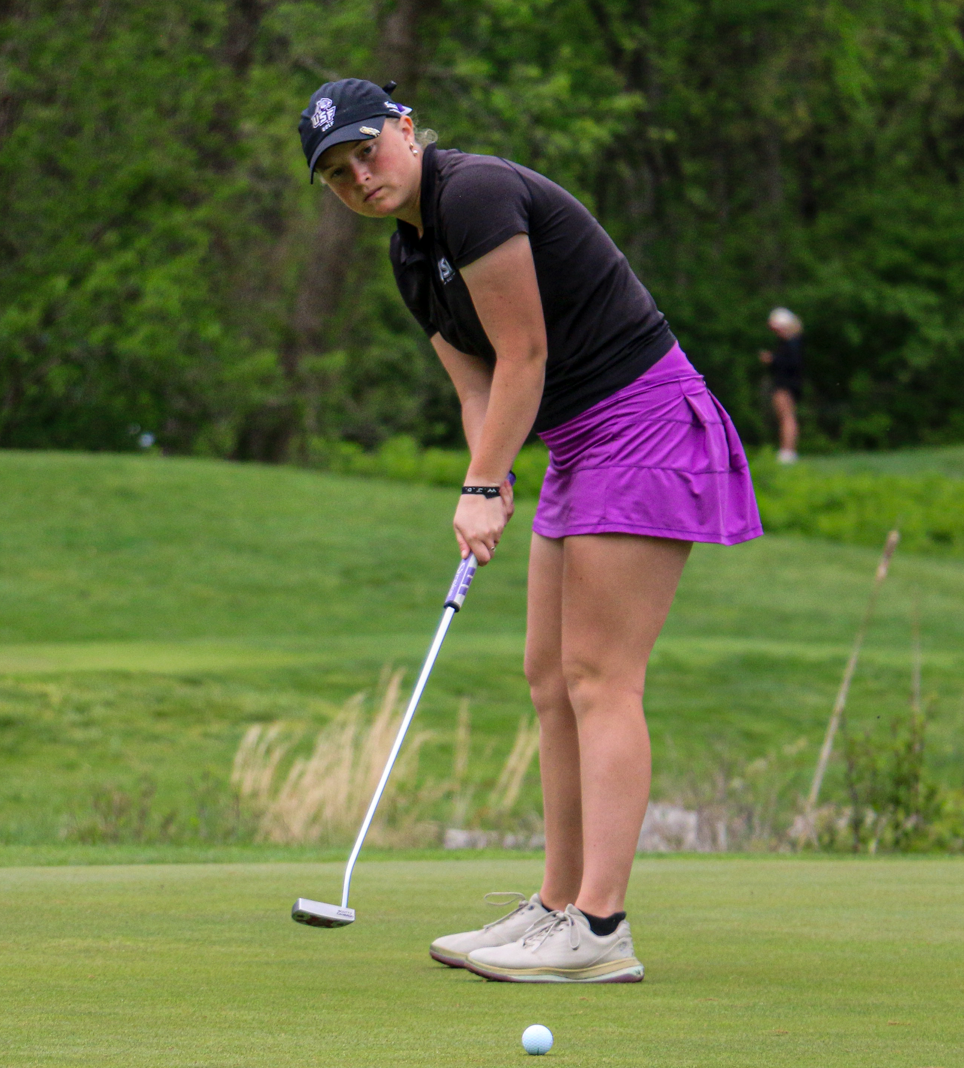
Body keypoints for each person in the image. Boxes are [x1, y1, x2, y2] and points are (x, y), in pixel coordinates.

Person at [298, 79, 761, 983]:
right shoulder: (408, 254)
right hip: (578, 442)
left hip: (642, 421)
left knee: (600, 677)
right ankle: (556, 907)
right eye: (336, 172)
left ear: (403, 129)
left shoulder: (471, 194)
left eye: (366, 150)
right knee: (548, 675)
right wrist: (496, 469)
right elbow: (479, 388)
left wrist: (478, 482)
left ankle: (599, 927)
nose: (359, 175)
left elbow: (526, 354)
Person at [757, 307, 804, 464]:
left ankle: (788, 452)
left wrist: (773, 360)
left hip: (785, 385)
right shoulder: (789, 342)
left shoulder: (791, 343)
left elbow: (793, 364)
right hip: (786, 384)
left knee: (786, 416)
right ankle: (787, 451)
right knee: (785, 416)